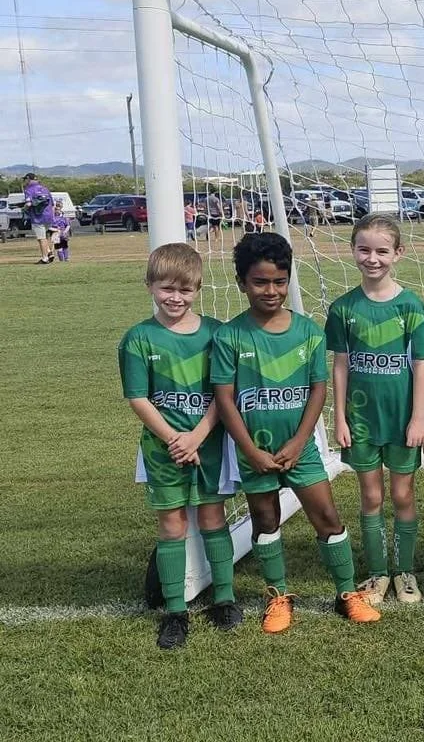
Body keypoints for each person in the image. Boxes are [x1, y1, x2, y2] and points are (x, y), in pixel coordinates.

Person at [211, 232, 381, 632]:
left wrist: (301, 439)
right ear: (242, 282)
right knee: (265, 519)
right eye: (260, 282)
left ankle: (346, 593)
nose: (271, 290)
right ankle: (278, 596)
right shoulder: (229, 336)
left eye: (279, 281)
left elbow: (318, 389)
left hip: (300, 448)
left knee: (326, 515)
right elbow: (224, 398)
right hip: (256, 451)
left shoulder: (308, 331)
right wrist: (250, 450)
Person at [119, 243, 239, 648]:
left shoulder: (217, 333)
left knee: (212, 519)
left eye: (185, 291)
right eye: (167, 288)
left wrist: (198, 435)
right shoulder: (138, 338)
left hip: (209, 443)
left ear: (199, 289)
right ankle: (175, 611)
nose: (175, 297)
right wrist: (174, 438)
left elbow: (225, 393)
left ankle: (224, 598)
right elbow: (138, 398)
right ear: (150, 285)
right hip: (162, 448)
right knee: (172, 524)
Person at [325, 213, 424, 606]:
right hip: (361, 419)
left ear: (398, 253)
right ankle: (376, 575)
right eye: (364, 249)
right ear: (353, 250)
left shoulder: (411, 306)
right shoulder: (342, 309)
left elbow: (422, 365)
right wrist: (339, 416)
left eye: (382, 251)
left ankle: (404, 572)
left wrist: (419, 418)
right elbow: (340, 363)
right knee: (370, 497)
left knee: (403, 495)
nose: (372, 258)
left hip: (402, 419)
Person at [22, 173, 56, 264]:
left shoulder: (28, 190)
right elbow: (52, 204)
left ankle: (44, 258)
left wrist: (23, 209)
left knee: (41, 238)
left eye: (25, 179)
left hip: (38, 218)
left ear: (28, 179)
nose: (25, 181)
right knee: (44, 236)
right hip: (48, 216)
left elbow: (28, 204)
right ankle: (49, 253)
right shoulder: (45, 188)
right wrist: (52, 216)